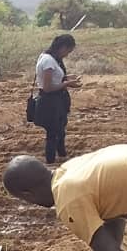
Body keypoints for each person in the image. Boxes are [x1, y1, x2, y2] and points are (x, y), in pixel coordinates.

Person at [34, 34, 83, 164]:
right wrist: (67, 84)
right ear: (62, 47)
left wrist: (67, 78)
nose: (67, 54)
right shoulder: (48, 61)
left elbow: (56, 78)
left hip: (57, 101)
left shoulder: (51, 58)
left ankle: (61, 156)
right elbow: (48, 87)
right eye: (68, 51)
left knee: (60, 130)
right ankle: (50, 161)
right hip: (50, 102)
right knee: (53, 133)